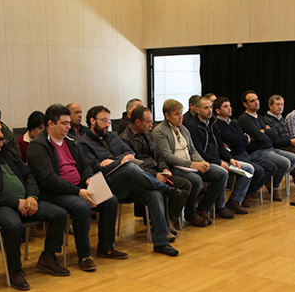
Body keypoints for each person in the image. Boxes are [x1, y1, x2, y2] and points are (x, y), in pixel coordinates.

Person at [0, 114, 69, 290]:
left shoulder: (8, 152)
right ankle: (15, 271)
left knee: (59, 214)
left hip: (25, 200)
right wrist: (16, 202)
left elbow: (29, 175)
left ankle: (48, 257)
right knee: (13, 226)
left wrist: (32, 197)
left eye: (1, 130)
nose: (1, 135)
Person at [27, 104, 127, 271]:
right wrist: (78, 192)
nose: (68, 127)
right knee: (81, 207)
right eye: (64, 123)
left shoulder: (72, 142)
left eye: (68, 123)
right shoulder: (38, 146)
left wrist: (88, 179)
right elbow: (48, 179)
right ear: (51, 124)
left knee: (110, 200)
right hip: (54, 193)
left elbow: (85, 164)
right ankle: (84, 255)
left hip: (79, 187)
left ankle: (106, 246)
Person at [78, 105, 182, 256]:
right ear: (92, 121)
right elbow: (96, 168)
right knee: (128, 168)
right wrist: (120, 162)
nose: (108, 124)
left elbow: (130, 153)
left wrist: (114, 160)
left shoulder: (113, 136)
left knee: (154, 194)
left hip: (127, 182)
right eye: (104, 120)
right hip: (105, 185)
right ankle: (164, 188)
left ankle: (161, 242)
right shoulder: (84, 143)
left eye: (108, 120)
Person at [152, 99, 232, 226]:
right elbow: (167, 156)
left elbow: (193, 150)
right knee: (196, 180)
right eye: (177, 114)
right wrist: (193, 165)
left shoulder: (183, 129)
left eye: (181, 113)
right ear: (167, 116)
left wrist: (202, 162)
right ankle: (191, 213)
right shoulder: (159, 131)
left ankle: (203, 208)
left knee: (221, 174)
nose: (181, 117)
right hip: (175, 167)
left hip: (191, 165)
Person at [120, 105, 192, 233]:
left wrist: (164, 169)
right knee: (160, 189)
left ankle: (171, 219)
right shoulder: (125, 139)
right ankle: (162, 228)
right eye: (148, 122)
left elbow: (159, 155)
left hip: (157, 172)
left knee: (185, 185)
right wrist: (154, 175)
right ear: (137, 122)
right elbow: (133, 166)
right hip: (141, 177)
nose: (151, 125)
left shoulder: (148, 134)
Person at [188, 96, 253, 214]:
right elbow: (198, 151)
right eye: (206, 108)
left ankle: (235, 201)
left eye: (211, 107)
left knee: (249, 168)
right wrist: (219, 162)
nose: (209, 110)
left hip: (220, 159)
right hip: (205, 162)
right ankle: (219, 206)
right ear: (197, 110)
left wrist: (230, 159)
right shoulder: (193, 126)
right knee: (223, 172)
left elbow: (220, 146)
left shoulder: (213, 123)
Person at [212, 96, 275, 206]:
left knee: (271, 167)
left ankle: (247, 192)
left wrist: (242, 139)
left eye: (230, 105)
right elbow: (232, 139)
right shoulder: (217, 125)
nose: (230, 108)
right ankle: (235, 199)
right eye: (226, 107)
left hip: (245, 153)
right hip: (235, 156)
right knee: (258, 170)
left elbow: (242, 139)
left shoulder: (233, 123)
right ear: (218, 111)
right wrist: (244, 138)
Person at [238, 90, 295, 201]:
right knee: (285, 163)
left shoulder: (260, 118)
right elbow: (262, 137)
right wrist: (264, 132)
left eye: (257, 99)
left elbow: (275, 133)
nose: (256, 102)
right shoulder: (244, 119)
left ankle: (270, 180)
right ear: (245, 104)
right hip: (258, 151)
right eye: (252, 101)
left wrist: (263, 132)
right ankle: (275, 187)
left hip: (270, 148)